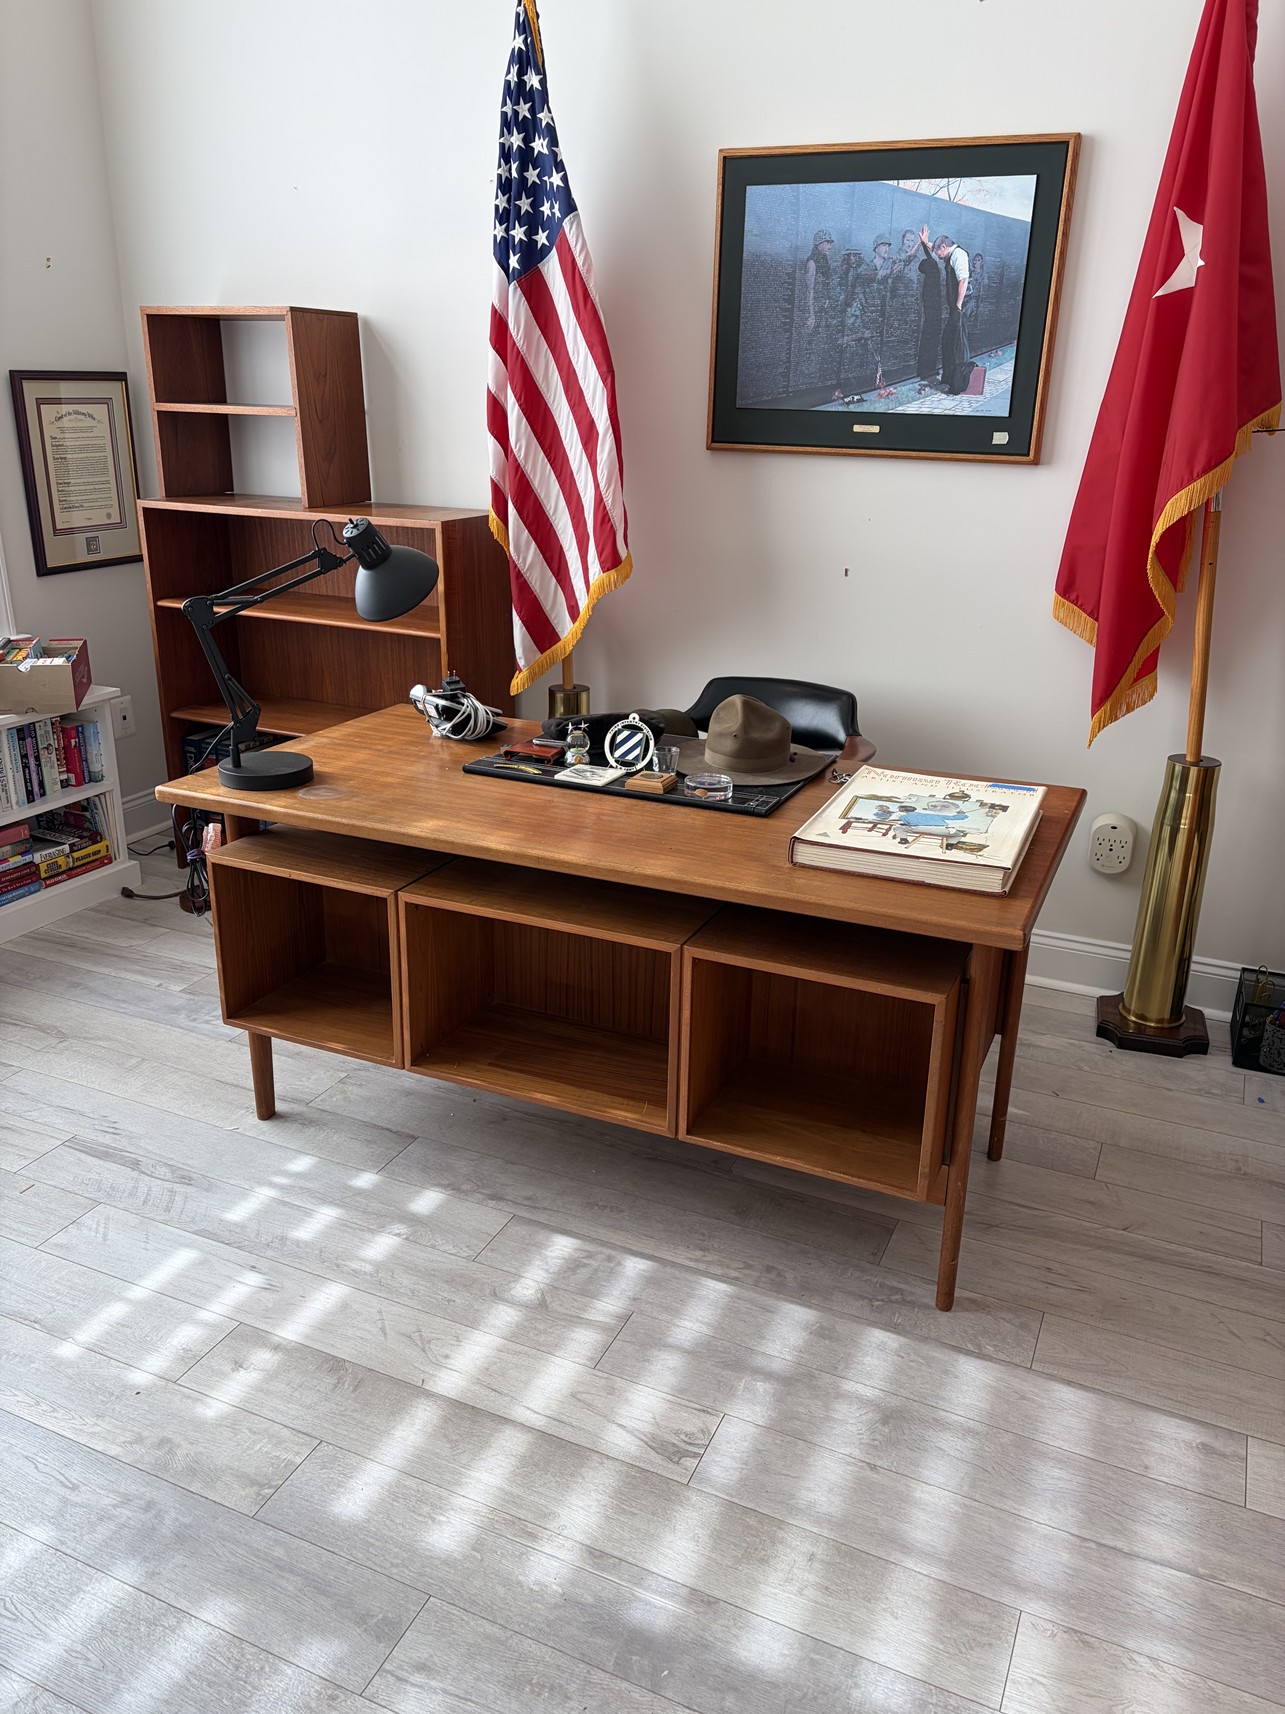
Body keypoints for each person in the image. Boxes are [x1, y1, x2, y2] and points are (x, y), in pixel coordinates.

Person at [921, 225, 971, 391]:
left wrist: (957, 308)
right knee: (947, 343)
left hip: (960, 309)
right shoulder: (949, 253)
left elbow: (963, 280)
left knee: (956, 346)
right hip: (955, 309)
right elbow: (935, 249)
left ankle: (958, 384)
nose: (938, 257)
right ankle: (948, 380)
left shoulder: (959, 255)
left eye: (938, 253)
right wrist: (926, 243)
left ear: (944, 247)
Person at [804, 229, 835, 334]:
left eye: (830, 243)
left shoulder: (824, 261)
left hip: (823, 307)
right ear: (819, 244)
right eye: (827, 243)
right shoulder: (812, 263)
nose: (830, 246)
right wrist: (811, 314)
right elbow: (810, 289)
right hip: (815, 308)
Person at [962, 252, 986, 348]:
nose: (976, 262)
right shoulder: (969, 273)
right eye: (975, 260)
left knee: (974, 324)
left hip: (977, 302)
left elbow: (983, 291)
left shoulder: (983, 276)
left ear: (981, 262)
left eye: (978, 260)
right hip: (967, 302)